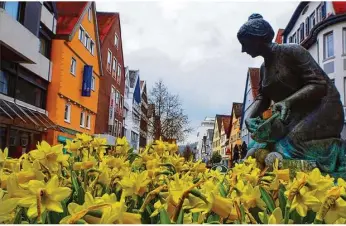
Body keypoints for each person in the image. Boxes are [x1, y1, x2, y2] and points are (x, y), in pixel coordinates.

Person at [237, 13, 345, 173]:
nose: (243, 49)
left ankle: (337, 153)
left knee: (286, 146)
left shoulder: (292, 51)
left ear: (257, 39)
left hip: (325, 108)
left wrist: (288, 102)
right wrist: (250, 118)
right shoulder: (263, 68)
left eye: (245, 43)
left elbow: (318, 84)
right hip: (297, 114)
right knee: (257, 147)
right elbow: (263, 98)